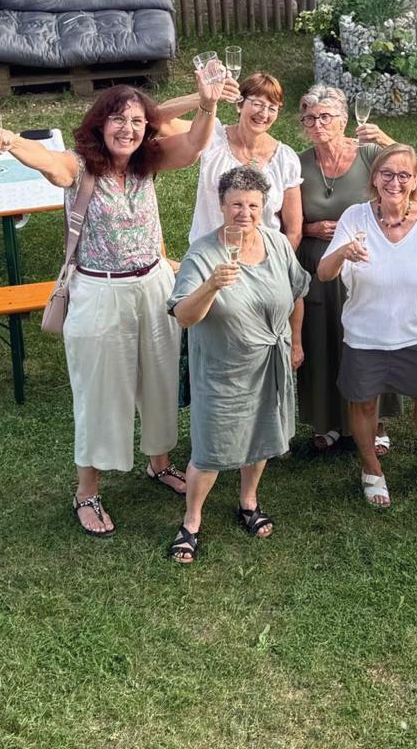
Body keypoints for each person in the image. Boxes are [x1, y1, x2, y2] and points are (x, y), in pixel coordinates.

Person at [0, 72, 224, 537]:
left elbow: (193, 146)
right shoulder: (80, 166)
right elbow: (49, 162)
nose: (128, 129)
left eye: (138, 121)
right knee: (99, 394)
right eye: (118, 119)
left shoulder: (147, 161)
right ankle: (87, 492)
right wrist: (11, 141)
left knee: (160, 379)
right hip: (99, 292)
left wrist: (206, 106)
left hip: (155, 286)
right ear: (99, 124)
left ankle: (159, 463)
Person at [165, 166, 310, 562]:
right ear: (222, 205)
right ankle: (191, 521)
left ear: (264, 208)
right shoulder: (202, 254)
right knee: (211, 449)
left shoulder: (277, 243)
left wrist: (296, 341)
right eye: (236, 205)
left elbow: (297, 292)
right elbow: (184, 316)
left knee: (262, 433)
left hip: (269, 361)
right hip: (223, 368)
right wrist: (212, 285)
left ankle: (249, 501)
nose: (245, 213)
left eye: (253, 206)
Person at [319, 144, 417, 508]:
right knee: (364, 403)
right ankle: (372, 469)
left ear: (415, 181)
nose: (394, 182)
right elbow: (324, 272)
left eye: (403, 175)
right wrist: (342, 252)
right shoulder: (355, 217)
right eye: (387, 174)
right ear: (374, 178)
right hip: (366, 333)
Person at [295, 84, 406, 454]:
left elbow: (415, 175)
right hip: (318, 263)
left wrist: (387, 140)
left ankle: (378, 421)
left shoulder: (370, 154)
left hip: (364, 262)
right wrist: (311, 228)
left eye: (325, 116)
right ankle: (327, 420)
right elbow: (285, 220)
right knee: (322, 339)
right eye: (309, 118)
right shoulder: (298, 163)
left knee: (368, 341)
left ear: (343, 119)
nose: (317, 124)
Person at [181, 71, 303, 249]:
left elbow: (294, 231)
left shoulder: (285, 158)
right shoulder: (212, 135)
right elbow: (161, 122)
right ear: (239, 104)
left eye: (272, 108)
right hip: (209, 254)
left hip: (261, 257)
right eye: (257, 104)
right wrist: (206, 98)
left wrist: (280, 262)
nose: (264, 114)